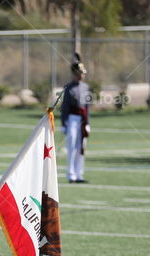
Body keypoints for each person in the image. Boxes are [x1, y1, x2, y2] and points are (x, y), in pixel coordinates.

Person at [60, 54, 90, 182]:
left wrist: (87, 122)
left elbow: (87, 106)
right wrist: (64, 123)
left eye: (82, 73)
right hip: (72, 119)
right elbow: (65, 106)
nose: (82, 75)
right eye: (79, 73)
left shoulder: (85, 87)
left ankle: (79, 174)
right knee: (71, 146)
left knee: (81, 147)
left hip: (82, 120)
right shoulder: (68, 88)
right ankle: (71, 174)